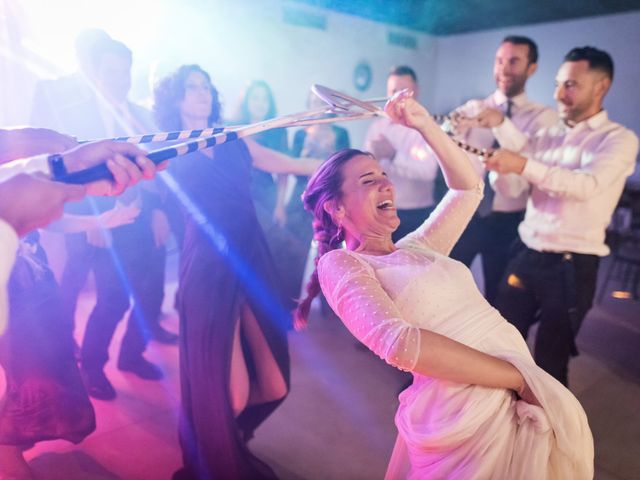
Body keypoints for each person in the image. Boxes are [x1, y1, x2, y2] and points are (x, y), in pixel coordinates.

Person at [295, 92, 593, 479]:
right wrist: (517, 379)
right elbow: (399, 343)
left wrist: (423, 124)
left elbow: (469, 189)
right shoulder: (343, 264)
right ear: (336, 207)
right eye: (370, 180)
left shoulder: (419, 247)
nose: (387, 186)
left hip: (514, 379)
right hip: (469, 405)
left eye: (385, 176)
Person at [153, 64, 320, 479]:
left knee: (275, 382)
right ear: (175, 99)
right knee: (232, 391)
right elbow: (136, 181)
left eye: (206, 87)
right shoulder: (169, 147)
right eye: (191, 88)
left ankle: (225, 439)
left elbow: (288, 163)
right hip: (208, 266)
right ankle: (215, 455)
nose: (201, 94)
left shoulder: (234, 140)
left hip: (251, 258)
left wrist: (344, 162)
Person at [0, 132, 158, 479]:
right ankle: (9, 455)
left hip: (33, 280)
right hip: (11, 285)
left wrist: (96, 213)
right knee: (25, 377)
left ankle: (11, 444)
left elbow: (35, 206)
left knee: (41, 371)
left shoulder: (12, 147)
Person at [482, 46, 639, 386]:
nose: (558, 94)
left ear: (601, 87)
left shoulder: (619, 139)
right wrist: (500, 170)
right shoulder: (546, 136)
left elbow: (584, 186)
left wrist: (521, 164)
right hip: (526, 252)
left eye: (570, 85)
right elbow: (515, 189)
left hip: (572, 264)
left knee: (550, 362)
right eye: (558, 84)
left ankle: (550, 436)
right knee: (500, 346)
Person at [54, 36, 171, 400]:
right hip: (99, 220)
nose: (120, 79)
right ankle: (91, 368)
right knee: (112, 298)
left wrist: (161, 212)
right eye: (112, 72)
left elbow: (158, 168)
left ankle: (132, 355)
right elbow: (69, 173)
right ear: (95, 73)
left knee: (151, 293)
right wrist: (95, 221)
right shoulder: (75, 113)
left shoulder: (142, 114)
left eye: (126, 72)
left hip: (140, 216)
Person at [448, 35, 557, 305]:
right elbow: (442, 138)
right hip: (465, 214)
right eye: (499, 61)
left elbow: (534, 161)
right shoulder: (474, 107)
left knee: (500, 297)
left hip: (509, 222)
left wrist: (501, 123)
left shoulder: (543, 117)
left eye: (513, 61)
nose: (504, 69)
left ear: (531, 68)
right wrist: (452, 127)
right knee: (445, 283)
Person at [284, 90, 350, 309]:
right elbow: (292, 169)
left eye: (322, 103)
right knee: (295, 250)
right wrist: (304, 157)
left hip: (329, 201)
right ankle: (289, 302)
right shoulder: (301, 135)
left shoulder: (341, 133)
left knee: (330, 252)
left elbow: (344, 169)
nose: (319, 106)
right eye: (314, 102)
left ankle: (329, 304)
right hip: (302, 199)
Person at [363, 65, 439, 242]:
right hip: (380, 211)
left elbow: (428, 172)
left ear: (416, 91)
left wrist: (393, 156)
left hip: (416, 214)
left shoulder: (427, 128)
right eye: (393, 91)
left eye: (403, 91)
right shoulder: (376, 127)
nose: (396, 97)